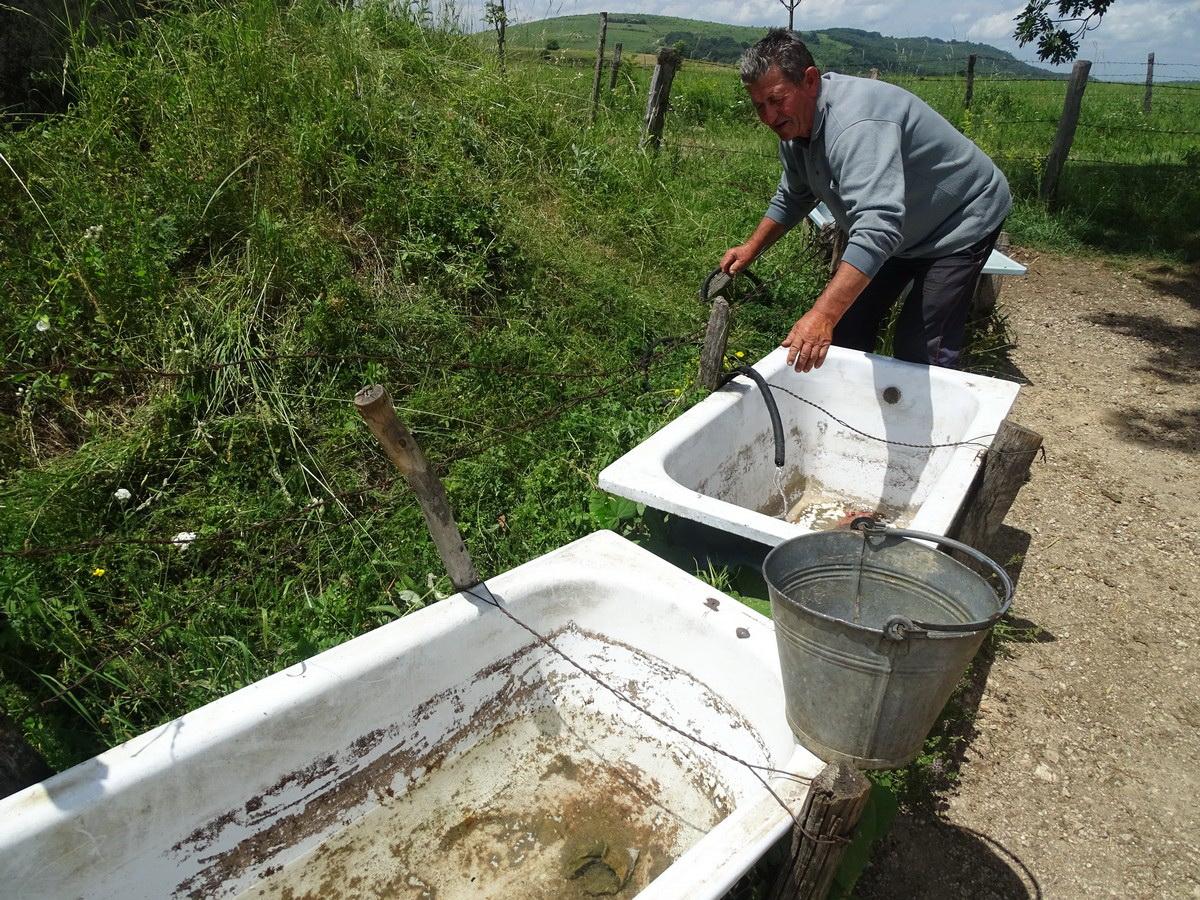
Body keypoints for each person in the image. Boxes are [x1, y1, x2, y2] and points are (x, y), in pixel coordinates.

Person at [720, 30, 1011, 372]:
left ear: (810, 81)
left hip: (959, 219)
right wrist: (751, 248)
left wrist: (821, 314)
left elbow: (877, 228)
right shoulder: (796, 127)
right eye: (759, 106)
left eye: (776, 100)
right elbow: (794, 195)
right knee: (847, 329)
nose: (769, 117)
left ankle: (921, 421)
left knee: (919, 351)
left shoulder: (855, 124)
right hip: (899, 227)